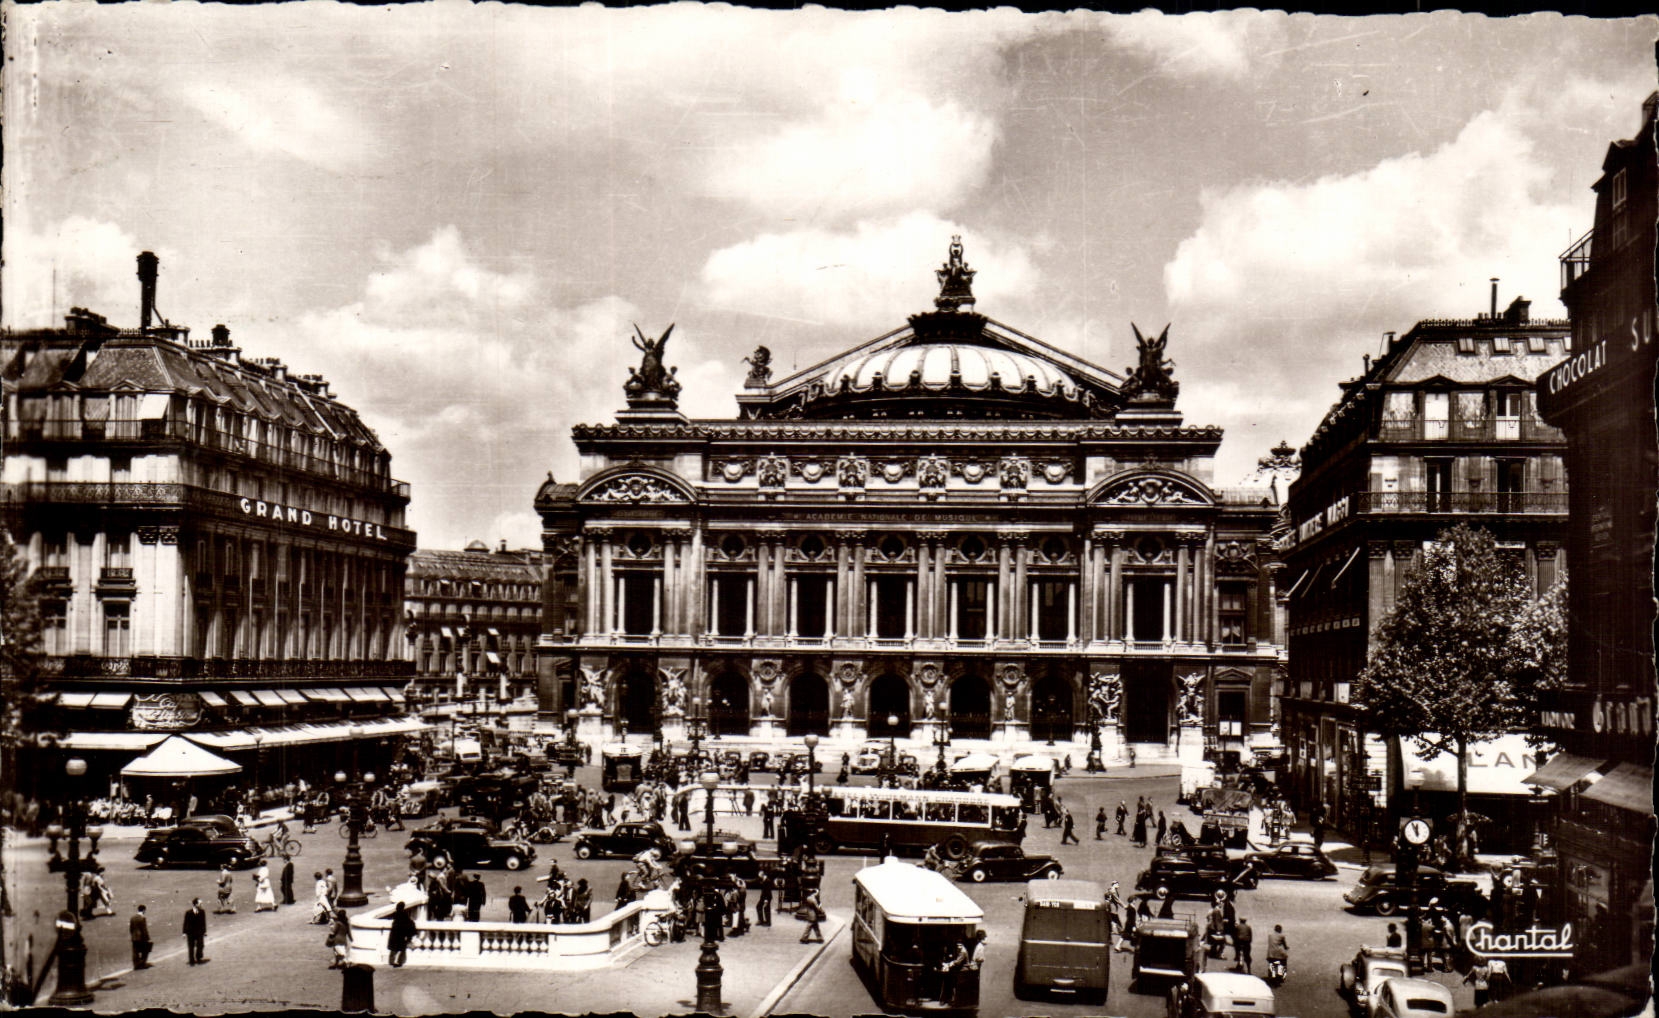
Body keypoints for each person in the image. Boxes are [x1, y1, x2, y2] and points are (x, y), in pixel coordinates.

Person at [937, 937, 970, 1006]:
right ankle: (949, 1000)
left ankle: (953, 1001)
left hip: (961, 971)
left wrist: (948, 964)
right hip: (955, 970)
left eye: (960, 945)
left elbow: (957, 962)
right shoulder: (959, 950)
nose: (959, 946)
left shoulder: (962, 952)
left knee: (955, 985)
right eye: (958, 945)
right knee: (950, 984)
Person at [387, 902, 418, 968]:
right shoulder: (404, 914)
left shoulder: (395, 914)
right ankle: (398, 961)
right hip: (401, 935)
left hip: (394, 935)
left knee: (393, 949)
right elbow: (410, 923)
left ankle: (391, 961)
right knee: (401, 949)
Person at [183, 898, 208, 965]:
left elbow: (203, 922)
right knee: (191, 947)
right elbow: (185, 923)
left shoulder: (202, 912)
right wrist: (184, 933)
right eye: (200, 904)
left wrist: (204, 931)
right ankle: (192, 960)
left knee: (200, 945)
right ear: (196, 904)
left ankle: (198, 957)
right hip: (190, 932)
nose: (201, 905)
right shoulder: (188, 912)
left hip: (199, 932)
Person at [130, 904, 152, 970]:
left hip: (134, 937)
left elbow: (131, 928)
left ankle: (136, 965)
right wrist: (147, 938)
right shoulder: (142, 918)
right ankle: (142, 964)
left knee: (135, 952)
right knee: (145, 951)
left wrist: (132, 935)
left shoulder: (133, 918)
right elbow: (144, 929)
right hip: (141, 937)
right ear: (144, 910)